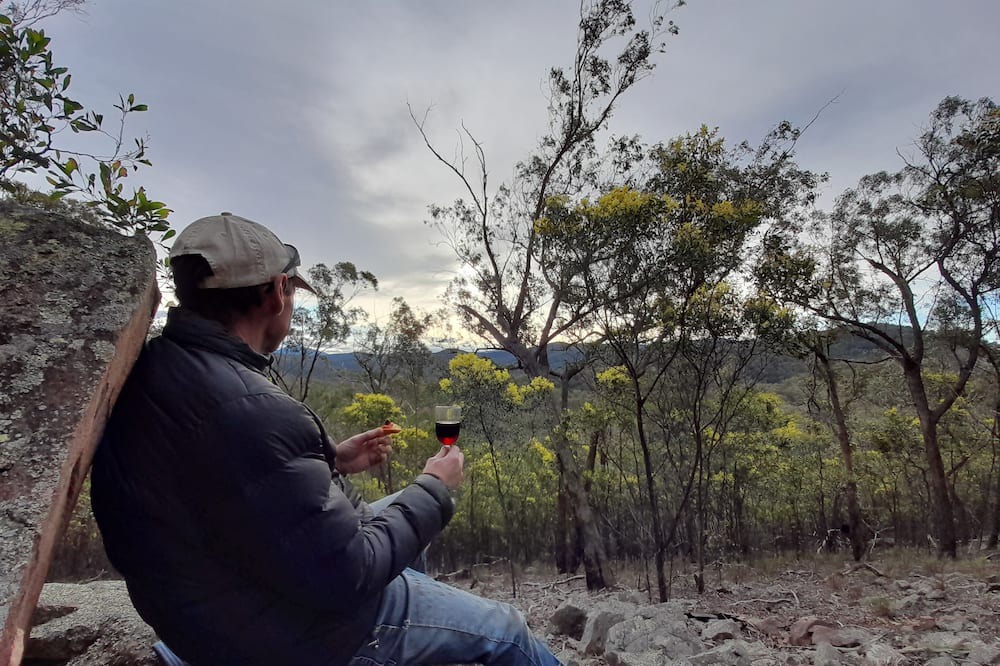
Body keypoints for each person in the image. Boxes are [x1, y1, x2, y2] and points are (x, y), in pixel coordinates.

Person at [91, 213, 562, 666]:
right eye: (292, 289)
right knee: (509, 630)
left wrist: (330, 459)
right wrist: (435, 487)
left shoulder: (159, 366)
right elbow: (349, 573)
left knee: (403, 513)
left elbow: (228, 482)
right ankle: (388, 635)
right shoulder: (252, 406)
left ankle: (412, 631)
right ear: (277, 293)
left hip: (208, 611)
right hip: (292, 636)